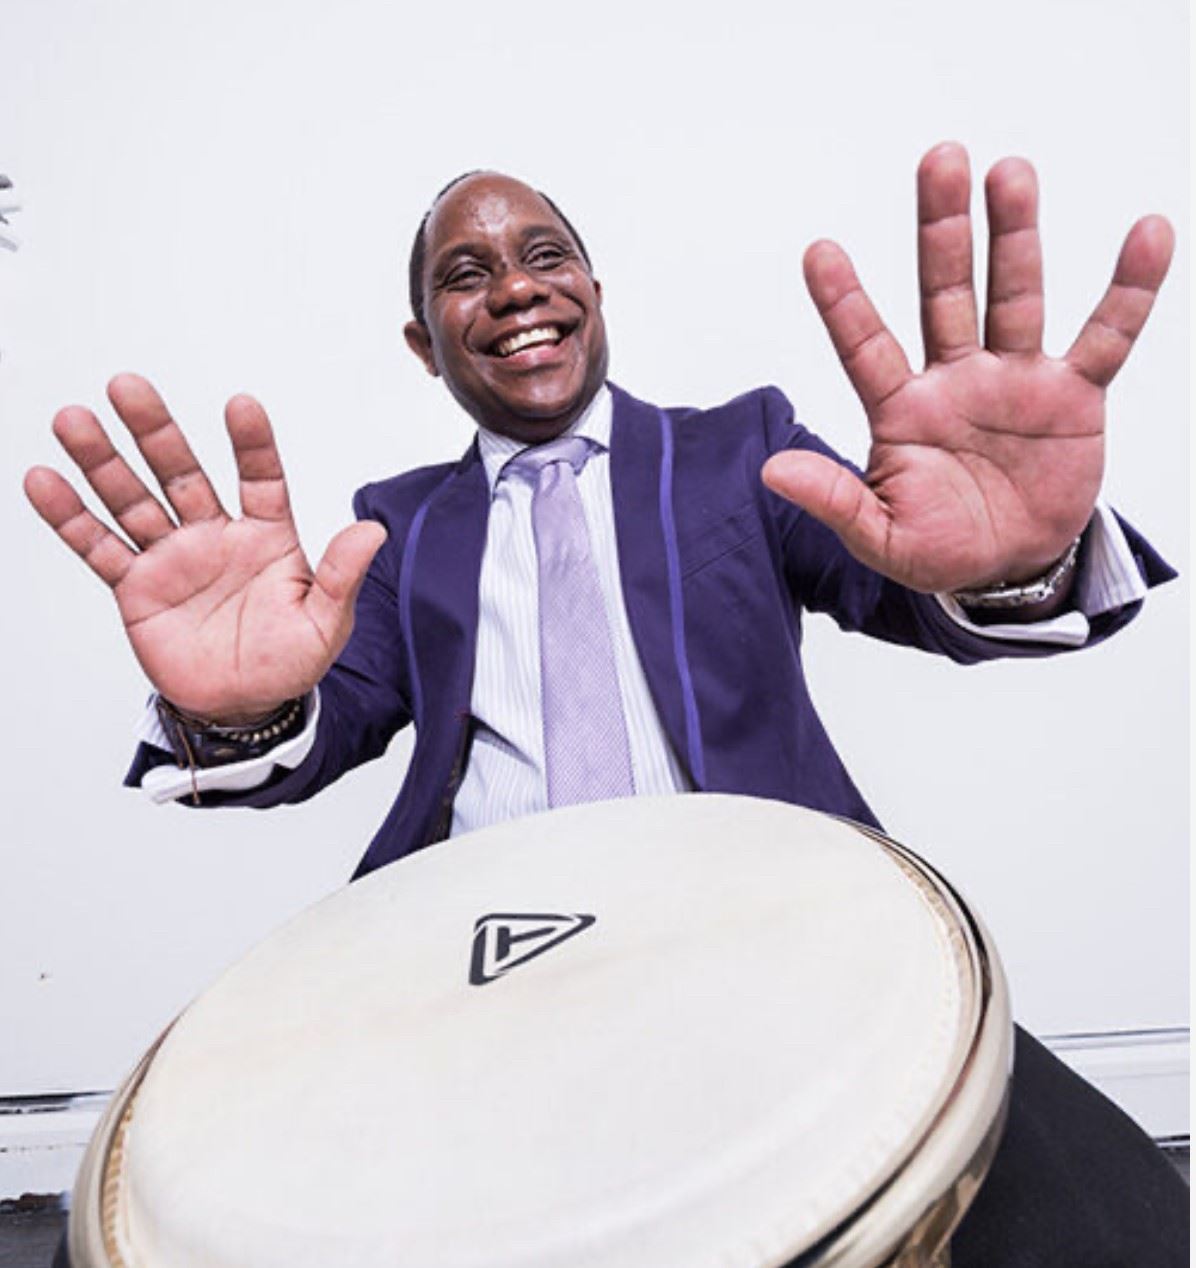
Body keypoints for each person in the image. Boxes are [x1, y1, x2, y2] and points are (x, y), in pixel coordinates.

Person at [27, 143, 1186, 1264]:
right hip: (469, 978)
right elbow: (324, 714)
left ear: (591, 289)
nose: (515, 286)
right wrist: (236, 706)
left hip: (769, 938)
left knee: (1105, 1215)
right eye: (464, 275)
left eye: (544, 254)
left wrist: (1005, 562)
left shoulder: (742, 450)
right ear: (423, 344)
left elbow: (894, 578)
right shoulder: (399, 524)